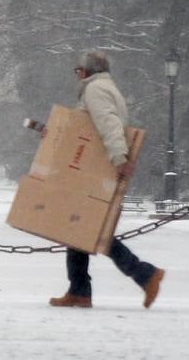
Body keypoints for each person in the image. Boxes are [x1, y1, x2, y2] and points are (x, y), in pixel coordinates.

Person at [49, 50, 165, 309]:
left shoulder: (95, 90)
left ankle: (144, 274)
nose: (77, 75)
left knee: (91, 229)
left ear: (90, 71)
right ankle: (80, 289)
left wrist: (119, 157)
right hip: (96, 168)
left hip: (94, 169)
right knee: (80, 227)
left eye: (79, 70)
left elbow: (108, 124)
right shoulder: (102, 88)